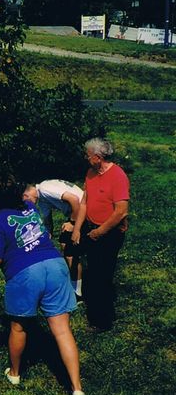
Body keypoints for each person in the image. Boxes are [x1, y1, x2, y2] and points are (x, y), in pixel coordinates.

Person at [0, 174, 87, 395]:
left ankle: (14, 374)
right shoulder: (31, 207)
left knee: (19, 327)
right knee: (62, 330)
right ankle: (77, 388)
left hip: (26, 274)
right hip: (55, 265)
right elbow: (32, 194)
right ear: (20, 194)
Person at [72, 138, 129, 331]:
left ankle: (102, 321)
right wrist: (78, 228)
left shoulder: (118, 176)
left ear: (97, 157)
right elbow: (84, 203)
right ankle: (102, 311)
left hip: (109, 233)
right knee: (95, 270)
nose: (86, 158)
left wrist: (99, 232)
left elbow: (121, 211)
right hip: (92, 229)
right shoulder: (91, 173)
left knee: (101, 275)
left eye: (88, 155)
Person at [23, 180, 84, 296]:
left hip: (82, 211)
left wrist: (72, 223)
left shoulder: (45, 189)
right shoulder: (42, 200)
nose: (28, 206)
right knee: (65, 246)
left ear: (26, 195)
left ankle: (77, 293)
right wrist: (47, 235)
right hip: (77, 212)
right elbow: (47, 221)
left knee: (71, 253)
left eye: (26, 202)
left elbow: (74, 200)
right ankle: (74, 286)